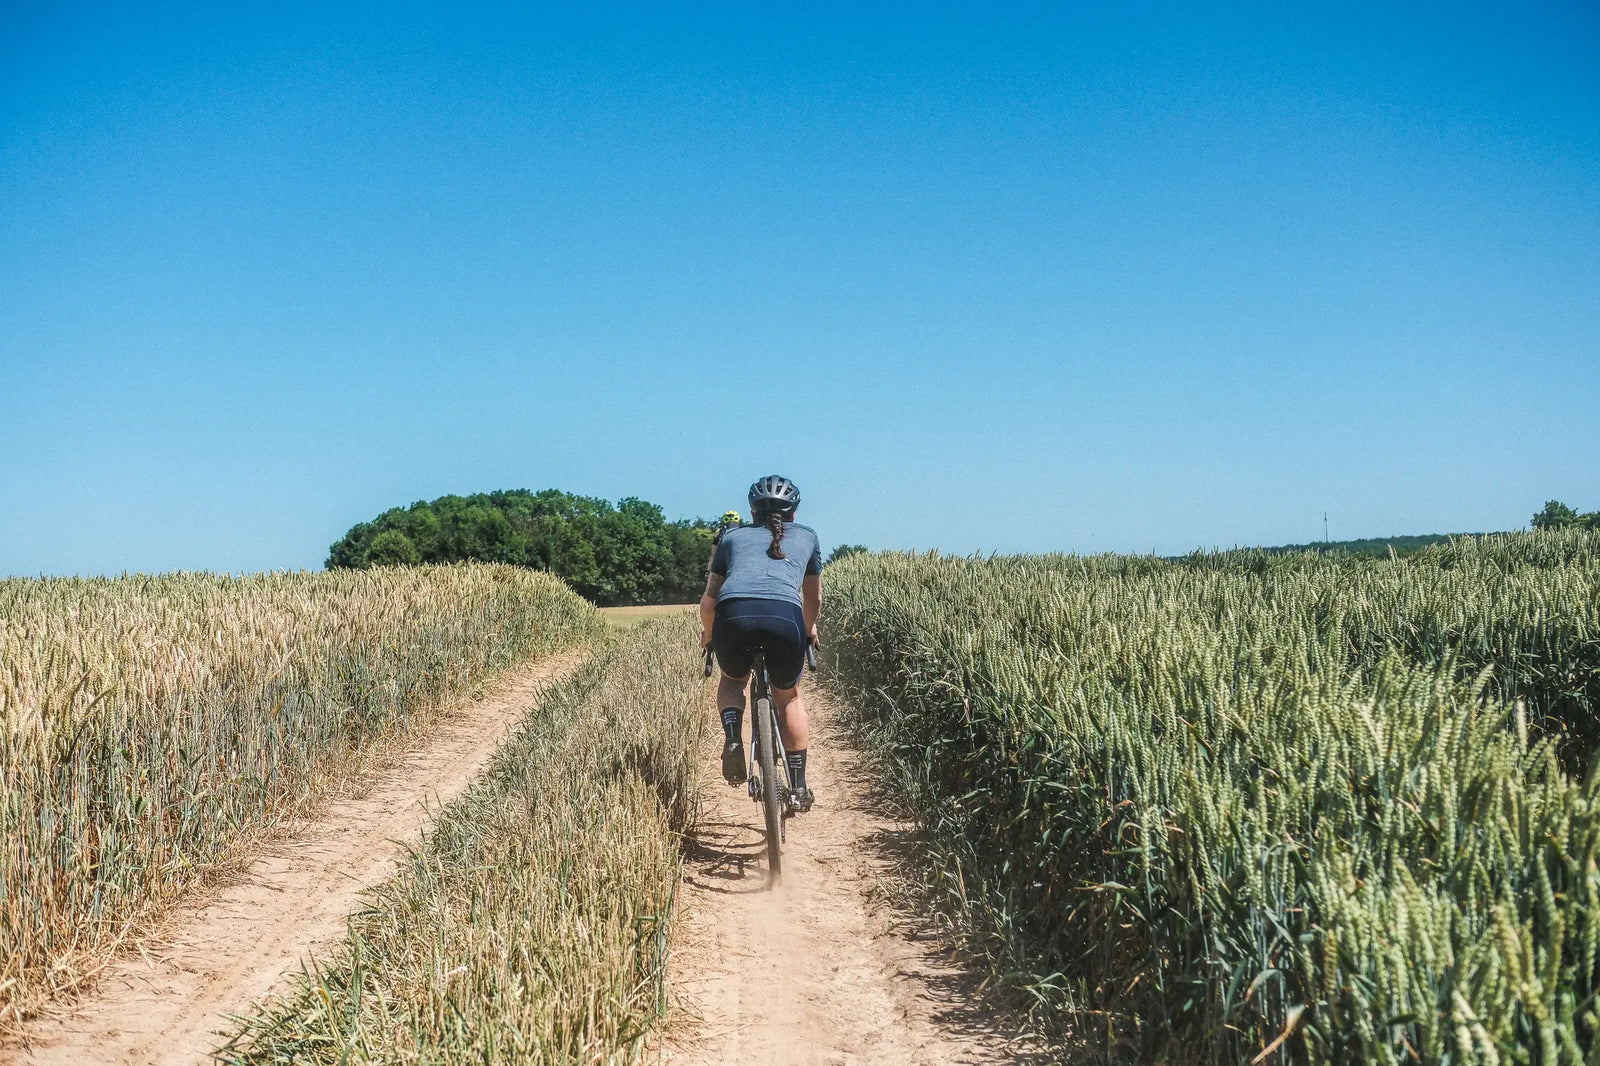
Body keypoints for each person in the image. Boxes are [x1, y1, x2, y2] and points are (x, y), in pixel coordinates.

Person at [700, 475, 823, 812]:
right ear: (793, 513)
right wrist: (809, 629)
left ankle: (733, 737)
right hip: (785, 617)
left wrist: (709, 636)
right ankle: (798, 787)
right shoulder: (808, 537)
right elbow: (812, 599)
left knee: (732, 681)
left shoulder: (731, 538)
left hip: (733, 616)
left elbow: (708, 604)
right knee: (788, 698)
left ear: (751, 512)